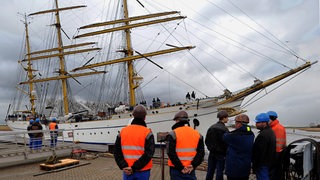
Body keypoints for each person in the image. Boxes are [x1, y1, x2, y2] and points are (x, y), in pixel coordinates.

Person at [114, 105, 155, 180]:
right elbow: (149, 154)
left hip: (127, 170)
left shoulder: (123, 131)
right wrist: (134, 167)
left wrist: (124, 166)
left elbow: (116, 151)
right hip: (143, 171)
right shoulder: (148, 133)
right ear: (145, 117)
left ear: (133, 116)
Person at [166, 110, 205, 180]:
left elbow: (170, 152)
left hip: (176, 169)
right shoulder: (198, 135)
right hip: (190, 169)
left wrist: (181, 167)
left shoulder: (173, 134)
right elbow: (201, 153)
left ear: (177, 120)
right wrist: (193, 165)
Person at [223, 114, 255, 180]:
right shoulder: (251, 134)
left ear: (239, 123)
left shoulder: (234, 136)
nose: (235, 124)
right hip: (245, 168)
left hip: (234, 169)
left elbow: (225, 136)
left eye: (236, 122)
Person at [205, 110, 229, 180]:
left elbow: (207, 141)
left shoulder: (211, 127)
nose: (227, 119)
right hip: (221, 154)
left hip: (212, 153)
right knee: (219, 171)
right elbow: (227, 142)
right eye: (227, 118)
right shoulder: (225, 129)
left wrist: (210, 148)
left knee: (210, 170)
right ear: (223, 118)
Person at [252, 113, 276, 180]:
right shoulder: (270, 131)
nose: (256, 124)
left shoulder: (263, 135)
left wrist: (255, 165)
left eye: (258, 122)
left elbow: (260, 153)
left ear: (264, 123)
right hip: (268, 162)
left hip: (262, 164)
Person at [267, 111, 286, 180]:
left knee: (274, 172)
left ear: (270, 118)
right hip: (277, 153)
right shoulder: (274, 127)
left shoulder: (277, 128)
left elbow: (278, 143)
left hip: (276, 154)